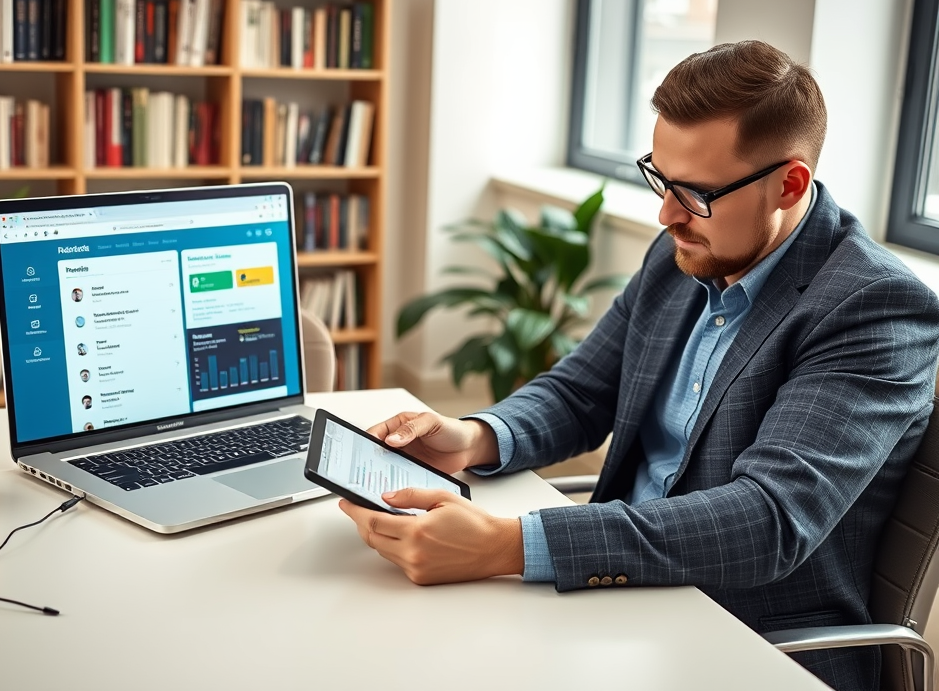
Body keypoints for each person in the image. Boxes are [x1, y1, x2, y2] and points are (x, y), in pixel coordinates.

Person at [339, 41, 939, 691]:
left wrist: (508, 544)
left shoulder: (872, 306)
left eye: (696, 193)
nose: (667, 214)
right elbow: (580, 392)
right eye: (661, 178)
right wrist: (473, 436)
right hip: (624, 602)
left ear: (789, 183)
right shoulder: (686, 250)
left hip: (751, 643)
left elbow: (767, 519)